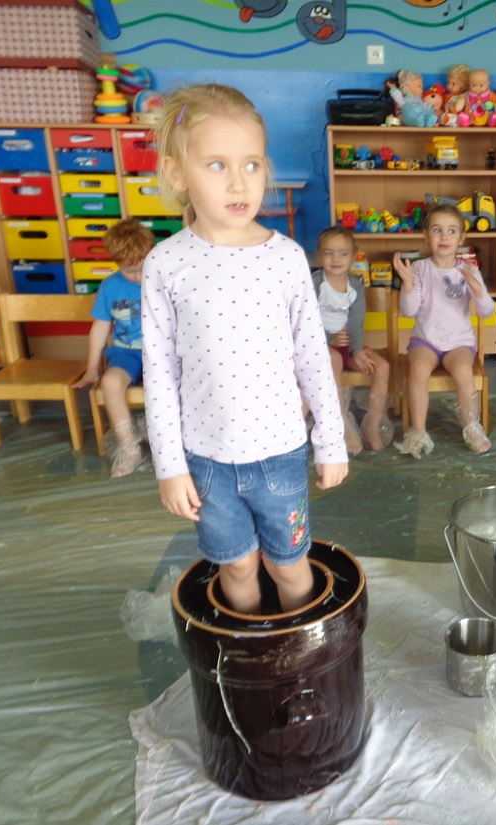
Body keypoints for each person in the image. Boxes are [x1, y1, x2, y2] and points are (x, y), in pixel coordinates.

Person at [142, 83, 347, 616]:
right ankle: (251, 648)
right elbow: (159, 373)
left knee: (289, 566)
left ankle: (298, 651)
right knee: (235, 567)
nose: (239, 182)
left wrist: (331, 441)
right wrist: (169, 465)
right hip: (206, 461)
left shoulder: (286, 258)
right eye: (217, 165)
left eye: (252, 165)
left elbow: (313, 358)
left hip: (280, 454)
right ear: (176, 173)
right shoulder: (165, 263)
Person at [392, 204, 494, 457]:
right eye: (437, 230)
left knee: (462, 371)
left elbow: (487, 312)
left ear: (461, 238)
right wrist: (407, 284)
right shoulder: (419, 269)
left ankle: (471, 427)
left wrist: (478, 289)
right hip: (425, 341)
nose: (444, 236)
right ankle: (417, 431)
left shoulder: (469, 270)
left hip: (458, 343)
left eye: (451, 231)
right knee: (418, 369)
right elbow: (409, 311)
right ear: (426, 236)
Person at [72, 219, 155, 477]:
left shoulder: (164, 280)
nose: (138, 277)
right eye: (130, 271)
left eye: (142, 268)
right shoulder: (110, 287)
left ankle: (172, 444)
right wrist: (91, 369)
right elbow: (100, 327)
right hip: (125, 353)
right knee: (109, 383)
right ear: (117, 263)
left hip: (160, 353)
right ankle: (129, 447)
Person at [311, 225, 393, 454]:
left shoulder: (355, 285)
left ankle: (372, 427)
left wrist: (357, 352)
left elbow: (356, 323)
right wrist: (329, 337)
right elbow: (305, 322)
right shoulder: (314, 283)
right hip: (320, 346)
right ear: (319, 256)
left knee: (382, 367)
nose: (336, 259)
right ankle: (341, 425)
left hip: (349, 345)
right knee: (334, 360)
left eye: (343, 253)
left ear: (354, 256)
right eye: (329, 253)